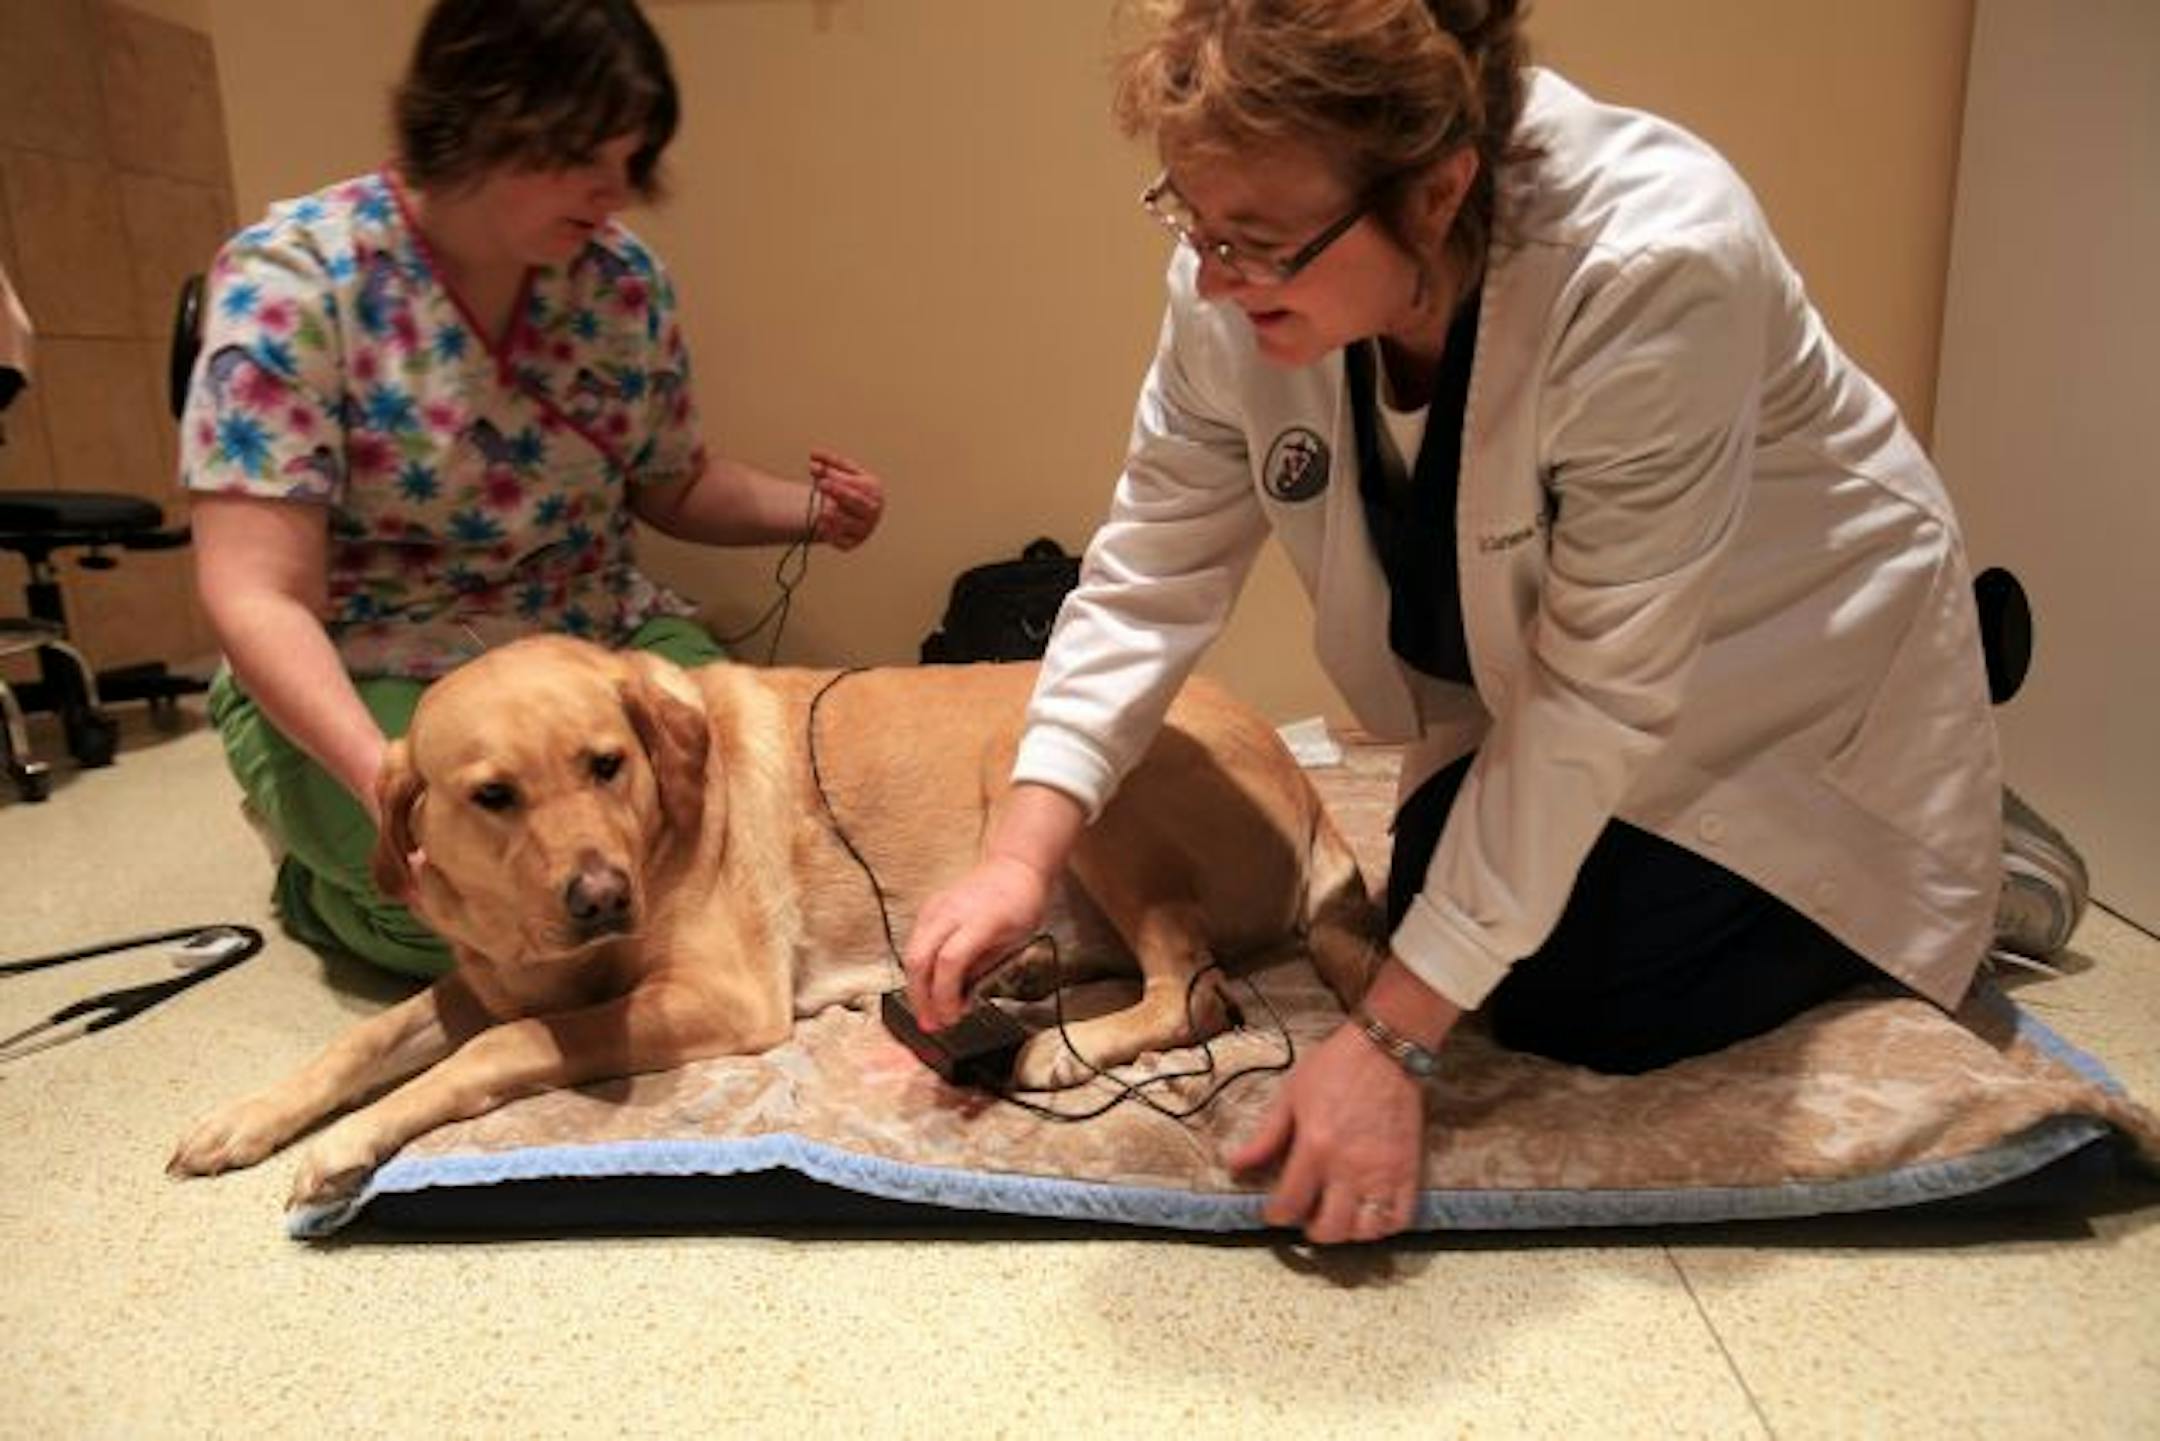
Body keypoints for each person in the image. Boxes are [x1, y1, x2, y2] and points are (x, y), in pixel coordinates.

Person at [902, 0, 2086, 1245]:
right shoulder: (1236, 276)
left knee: (1595, 999)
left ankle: (1963, 848)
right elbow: (1151, 569)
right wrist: (1020, 856)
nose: (1211, 274)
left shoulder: (1656, 263)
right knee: (1447, 933)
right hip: (1545, 669)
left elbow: (1599, 697)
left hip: (1796, 655)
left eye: (1255, 242)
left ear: (1437, 190)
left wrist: (1388, 1048)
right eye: (1192, 222)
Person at [181, 0, 885, 979]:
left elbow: (674, 485)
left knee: (771, 820)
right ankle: (313, 872)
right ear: (480, 120)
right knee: (476, 930)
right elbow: (255, 591)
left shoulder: (621, 283)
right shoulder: (295, 281)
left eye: (631, 163)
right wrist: (381, 785)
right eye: (589, 160)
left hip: (592, 638)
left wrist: (811, 515)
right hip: (380, 665)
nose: (619, 194)